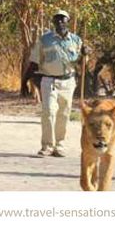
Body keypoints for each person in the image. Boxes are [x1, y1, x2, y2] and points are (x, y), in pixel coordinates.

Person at [26, 9, 85, 157]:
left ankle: (60, 145)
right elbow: (34, 62)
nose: (59, 22)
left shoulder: (76, 41)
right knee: (48, 112)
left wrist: (85, 54)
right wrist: (25, 81)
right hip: (49, 80)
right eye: (56, 19)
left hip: (68, 81)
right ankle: (47, 145)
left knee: (64, 113)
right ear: (53, 22)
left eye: (62, 19)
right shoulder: (44, 39)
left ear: (68, 21)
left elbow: (81, 63)